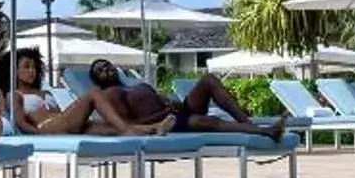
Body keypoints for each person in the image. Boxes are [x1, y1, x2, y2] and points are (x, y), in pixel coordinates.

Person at [85, 57, 286, 141]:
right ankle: (266, 132)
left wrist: (171, 104)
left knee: (208, 79)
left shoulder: (133, 85)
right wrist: (162, 115)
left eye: (107, 64)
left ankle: (247, 125)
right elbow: (128, 125)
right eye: (100, 70)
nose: (106, 68)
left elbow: (160, 100)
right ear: (97, 80)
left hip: (178, 111)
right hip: (165, 123)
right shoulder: (110, 95)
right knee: (208, 121)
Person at [0, 48, 108, 134]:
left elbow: (63, 115)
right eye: (26, 66)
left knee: (108, 127)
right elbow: (20, 123)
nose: (32, 71)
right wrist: (39, 134)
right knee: (94, 93)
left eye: (34, 67)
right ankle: (126, 128)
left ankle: (125, 130)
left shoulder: (46, 93)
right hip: (45, 127)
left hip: (62, 123)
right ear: (14, 71)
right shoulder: (15, 95)